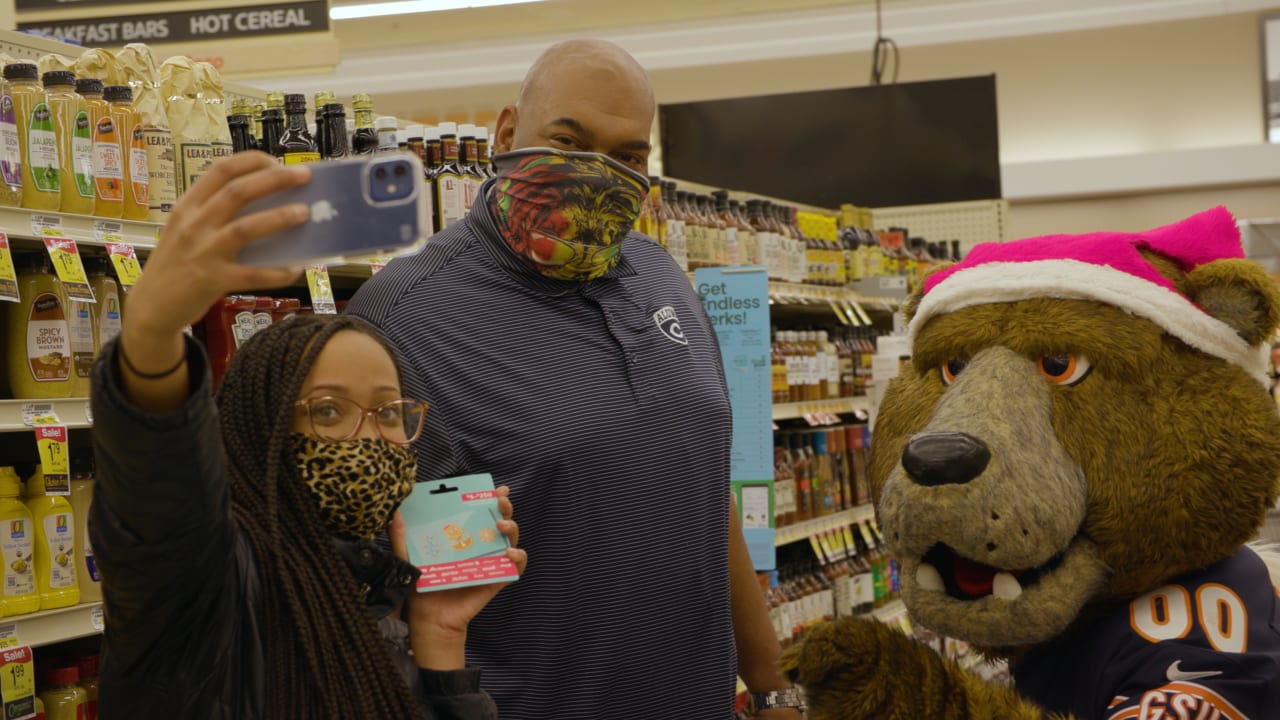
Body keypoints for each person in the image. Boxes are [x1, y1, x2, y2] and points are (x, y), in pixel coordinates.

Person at [345, 39, 803, 719]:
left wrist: (771, 683)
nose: (598, 174)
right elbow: (360, 576)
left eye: (627, 156)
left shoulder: (663, 276)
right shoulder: (403, 318)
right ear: (506, 134)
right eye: (569, 140)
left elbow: (706, 488)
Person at [89, 152, 526, 719]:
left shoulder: (380, 611)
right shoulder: (202, 584)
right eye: (327, 411)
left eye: (390, 413)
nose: (369, 437)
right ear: (261, 431)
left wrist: (440, 638)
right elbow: (157, 480)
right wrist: (150, 336)